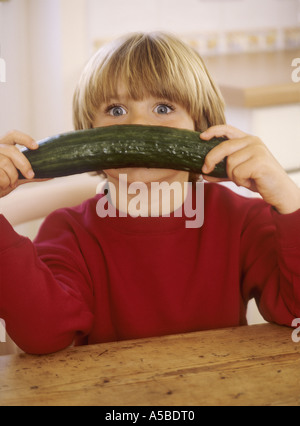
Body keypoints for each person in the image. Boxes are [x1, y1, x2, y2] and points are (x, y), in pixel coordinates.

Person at [0, 32, 299, 355]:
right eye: (115, 110)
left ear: (204, 128)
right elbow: (44, 335)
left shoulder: (241, 220)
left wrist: (289, 198)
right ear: (87, 136)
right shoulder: (68, 232)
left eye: (163, 107)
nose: (139, 124)